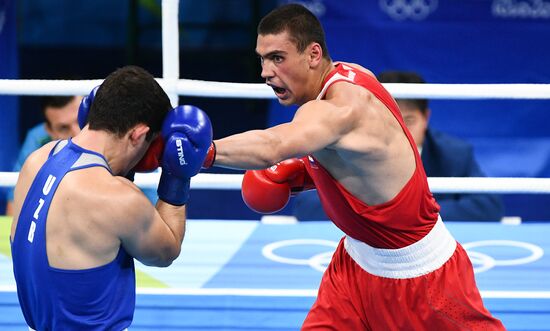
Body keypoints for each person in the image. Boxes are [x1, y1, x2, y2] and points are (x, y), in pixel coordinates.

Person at [200, 4, 505, 329]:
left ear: (313, 54)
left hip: (424, 278)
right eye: (262, 58)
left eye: (277, 57)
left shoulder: (339, 109)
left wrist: (203, 152)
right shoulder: (352, 75)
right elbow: (363, 164)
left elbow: (271, 147)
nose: (265, 71)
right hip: (354, 264)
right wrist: (304, 175)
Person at [10, 65, 212, 330]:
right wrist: (178, 176)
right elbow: (165, 252)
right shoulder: (118, 198)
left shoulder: (38, 159)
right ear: (138, 134)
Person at [294, 70, 505, 222]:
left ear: (427, 118)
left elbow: (489, 207)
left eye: (409, 120)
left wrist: (414, 215)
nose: (401, 130)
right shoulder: (345, 150)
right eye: (391, 120)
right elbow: (306, 207)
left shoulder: (454, 154)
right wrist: (379, 216)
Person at [5, 95, 82, 215]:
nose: (78, 133)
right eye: (63, 128)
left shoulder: (108, 131)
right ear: (49, 131)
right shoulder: (37, 139)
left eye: (81, 119)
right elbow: (14, 204)